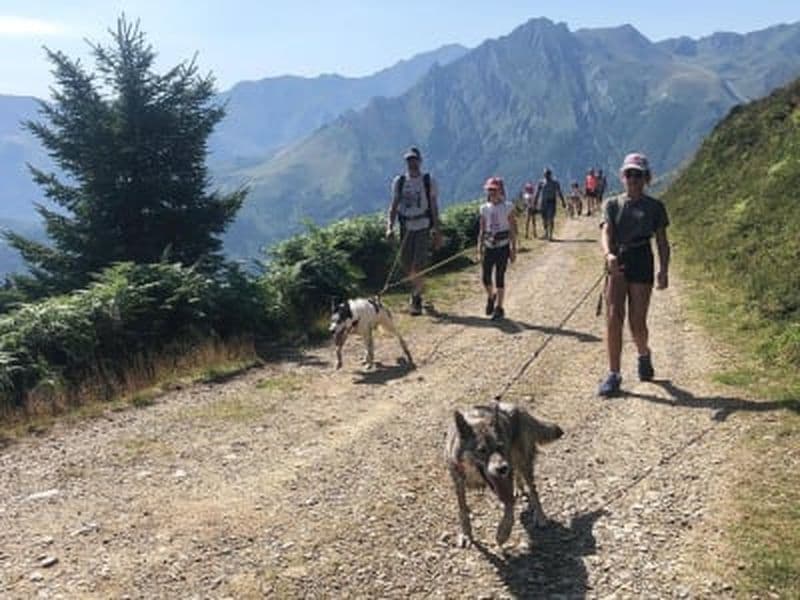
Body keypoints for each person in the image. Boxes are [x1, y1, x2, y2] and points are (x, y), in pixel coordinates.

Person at [598, 152, 671, 396]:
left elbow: (662, 241)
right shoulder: (612, 204)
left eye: (638, 174)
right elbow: (606, 231)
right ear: (622, 176)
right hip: (618, 260)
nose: (633, 179)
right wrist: (608, 254)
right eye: (629, 174)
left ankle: (643, 354)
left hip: (642, 259)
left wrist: (663, 270)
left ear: (646, 177)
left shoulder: (655, 207)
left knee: (636, 321)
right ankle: (614, 374)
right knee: (613, 317)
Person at [387, 146, 442, 315]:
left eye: (414, 160)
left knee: (418, 263)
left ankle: (416, 299)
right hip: (406, 226)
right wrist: (389, 226)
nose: (412, 163)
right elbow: (394, 205)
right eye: (409, 160)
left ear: (420, 161)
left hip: (423, 225)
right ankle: (418, 288)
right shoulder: (400, 181)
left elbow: (433, 205)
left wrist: (437, 229)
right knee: (406, 263)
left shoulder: (428, 180)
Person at [478, 176, 517, 321]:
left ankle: (499, 307)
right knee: (485, 277)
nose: (491, 192)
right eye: (489, 190)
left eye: (494, 189)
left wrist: (513, 249)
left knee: (499, 276)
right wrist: (479, 248)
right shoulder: (484, 208)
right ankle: (491, 296)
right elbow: (482, 230)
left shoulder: (508, 207)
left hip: (503, 246)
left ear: (500, 190)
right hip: (489, 246)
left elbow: (512, 229)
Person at [533, 168, 565, 241]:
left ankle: (550, 235)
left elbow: (559, 192)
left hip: (551, 202)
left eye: (547, 174)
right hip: (543, 202)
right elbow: (537, 193)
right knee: (544, 218)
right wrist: (535, 202)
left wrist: (563, 201)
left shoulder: (555, 182)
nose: (546, 175)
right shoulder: (541, 183)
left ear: (550, 174)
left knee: (550, 218)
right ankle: (546, 232)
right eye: (545, 174)